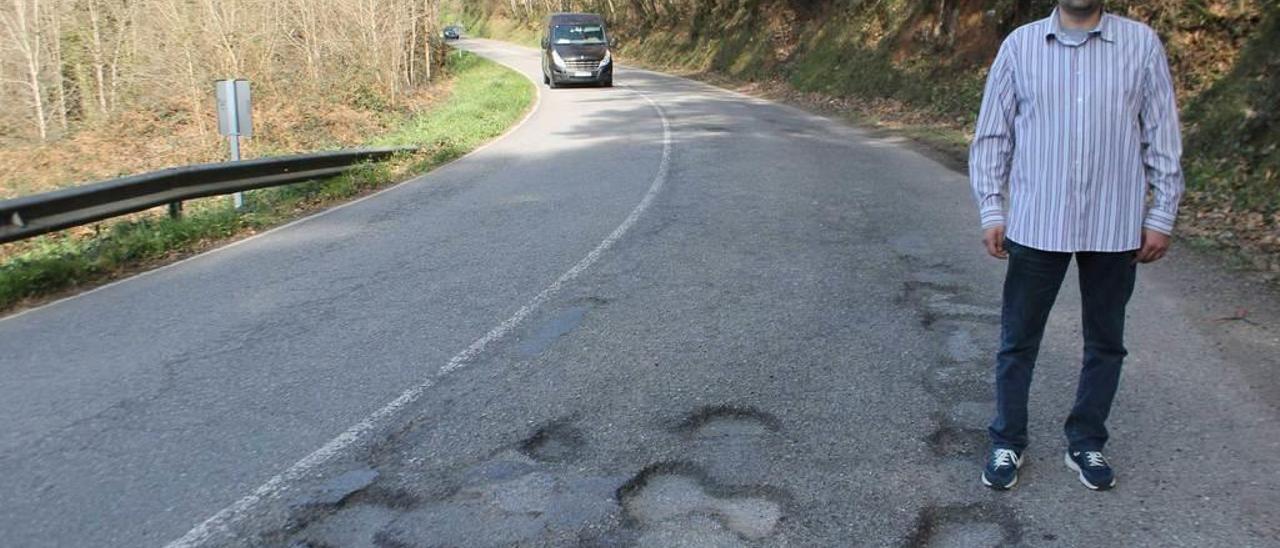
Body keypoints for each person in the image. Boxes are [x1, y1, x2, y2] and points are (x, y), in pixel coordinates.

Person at [968, 0, 1184, 491]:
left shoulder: (1140, 45)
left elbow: (1161, 134)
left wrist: (1162, 213)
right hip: (1036, 222)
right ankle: (1007, 441)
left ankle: (1086, 441)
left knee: (1106, 343)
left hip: (1114, 224)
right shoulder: (1020, 46)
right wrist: (992, 208)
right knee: (1018, 340)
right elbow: (993, 133)